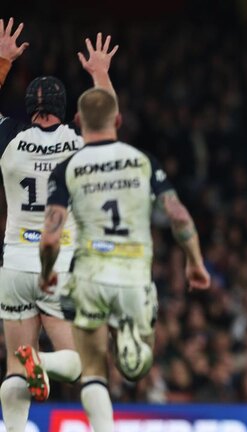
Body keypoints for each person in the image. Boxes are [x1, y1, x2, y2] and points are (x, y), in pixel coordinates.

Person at [40, 87, 211, 432]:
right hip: (134, 276)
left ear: (78, 121)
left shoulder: (68, 168)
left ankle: (52, 371)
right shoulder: (143, 160)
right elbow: (178, 215)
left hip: (89, 274)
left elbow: (50, 237)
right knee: (137, 370)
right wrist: (194, 261)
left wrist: (47, 273)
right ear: (117, 120)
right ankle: (129, 342)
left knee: (92, 370)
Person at [0, 18, 119, 431]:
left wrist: (3, 61)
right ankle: (44, 362)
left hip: (14, 260)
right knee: (81, 363)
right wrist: (99, 73)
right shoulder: (76, 140)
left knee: (15, 368)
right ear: (66, 109)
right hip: (61, 263)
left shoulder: (9, 139)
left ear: (30, 108)